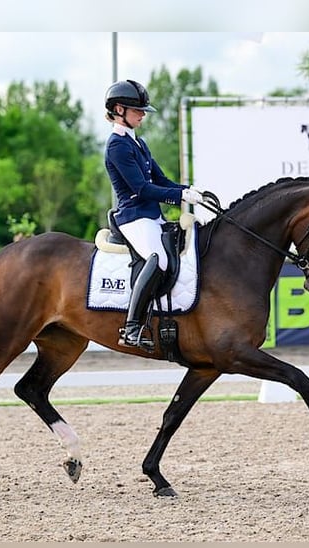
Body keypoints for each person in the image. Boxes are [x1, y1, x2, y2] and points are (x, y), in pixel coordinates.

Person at [103, 79, 204, 350]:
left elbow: (161, 179)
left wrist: (189, 190)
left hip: (150, 215)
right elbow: (142, 189)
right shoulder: (117, 146)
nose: (143, 114)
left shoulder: (139, 144)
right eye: (138, 110)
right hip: (134, 217)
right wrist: (178, 197)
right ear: (118, 109)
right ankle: (132, 327)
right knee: (157, 260)